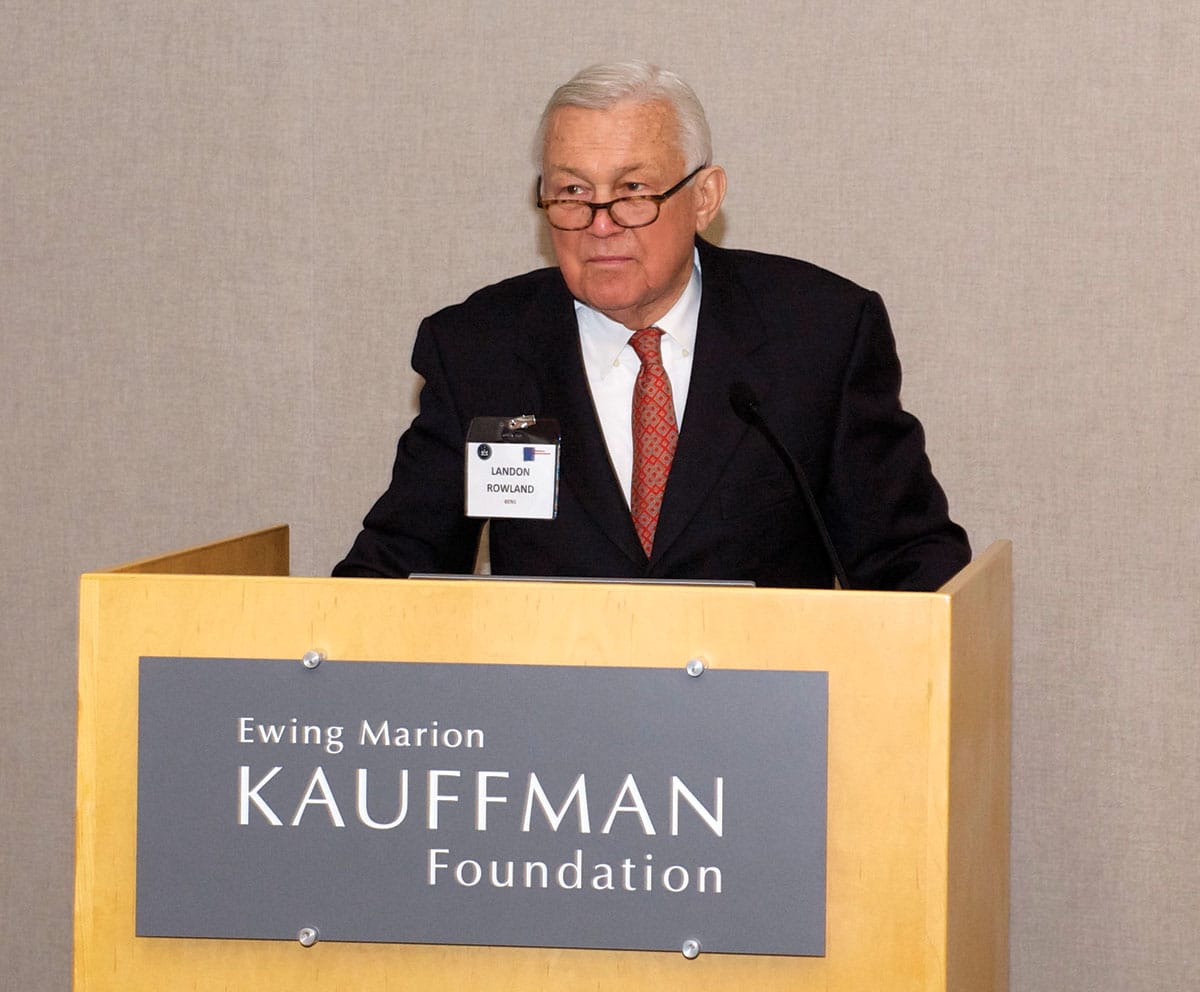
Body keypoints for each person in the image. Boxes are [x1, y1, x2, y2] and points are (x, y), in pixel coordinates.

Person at [333, 61, 969, 591]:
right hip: (553, 698)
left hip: (766, 697)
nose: (601, 224)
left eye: (633, 190)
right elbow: (396, 570)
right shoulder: (479, 349)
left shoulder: (819, 334)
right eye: (572, 193)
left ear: (704, 198)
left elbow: (909, 565)